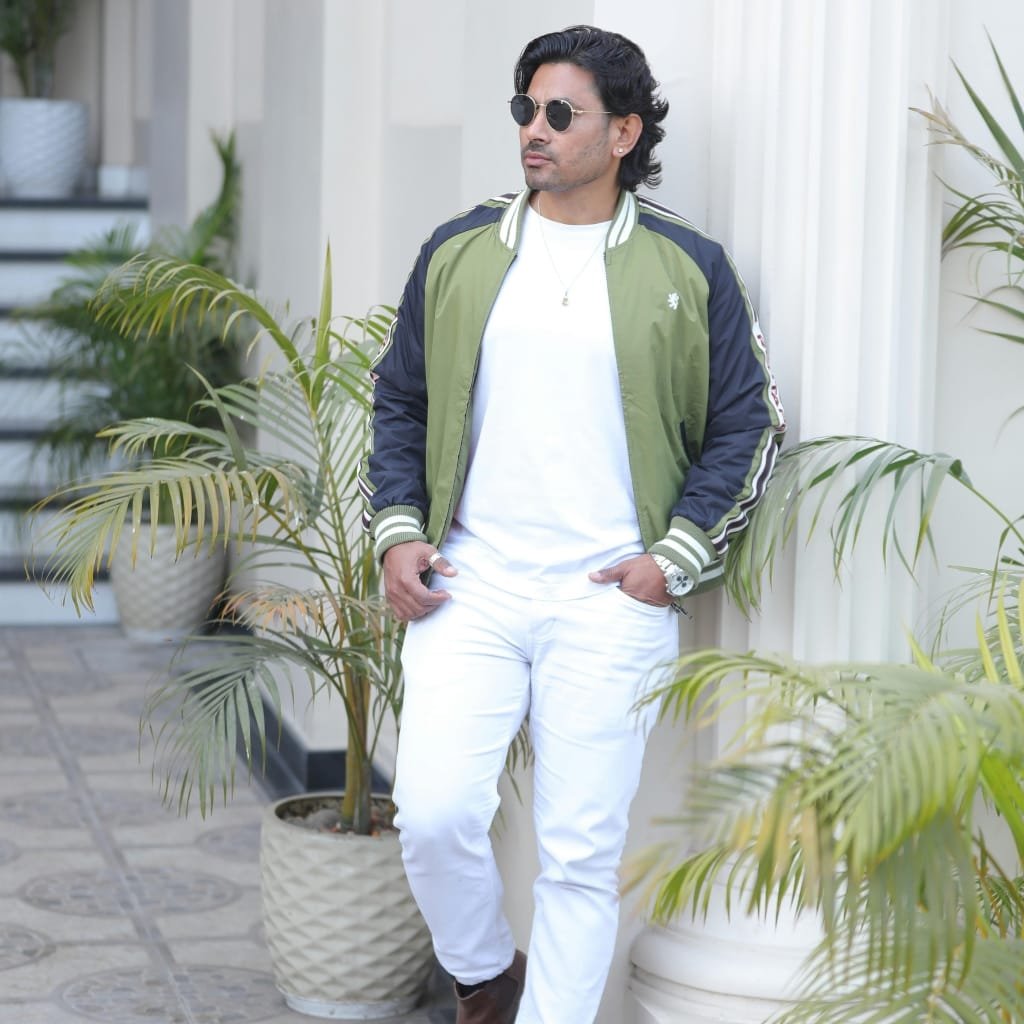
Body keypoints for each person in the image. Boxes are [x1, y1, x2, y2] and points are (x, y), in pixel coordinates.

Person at [358, 24, 785, 1024]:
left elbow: (747, 421)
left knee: (580, 855)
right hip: (472, 583)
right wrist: (398, 529)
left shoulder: (689, 267)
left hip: (608, 599)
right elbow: (400, 398)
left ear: (624, 131)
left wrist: (670, 557)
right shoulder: (460, 249)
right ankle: (485, 974)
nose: (533, 132)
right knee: (434, 815)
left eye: (560, 114)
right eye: (524, 110)